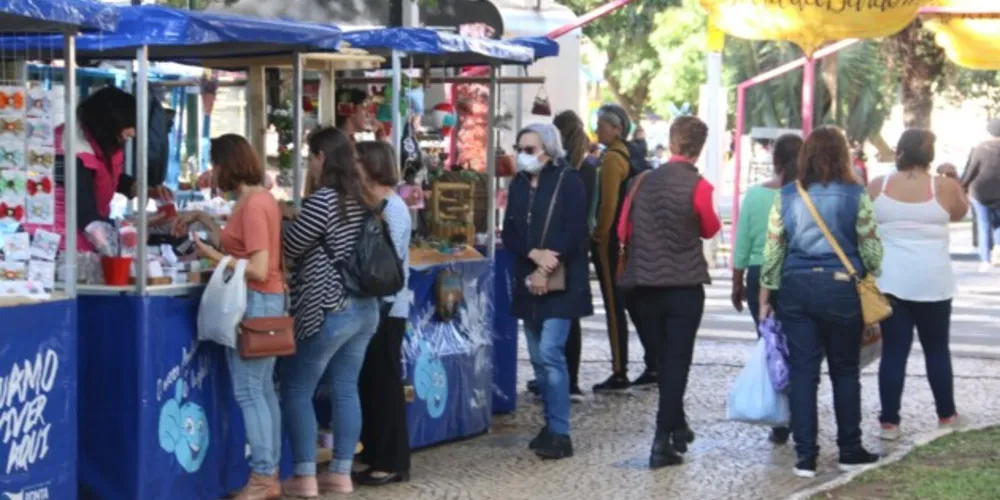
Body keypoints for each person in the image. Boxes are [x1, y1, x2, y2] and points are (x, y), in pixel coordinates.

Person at [758, 126, 882, 478]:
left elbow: (773, 251)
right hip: (843, 290)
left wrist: (767, 296)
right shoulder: (857, 195)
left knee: (803, 372)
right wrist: (870, 271)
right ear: (843, 155)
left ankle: (806, 456)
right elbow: (872, 249)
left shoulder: (787, 195)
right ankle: (849, 448)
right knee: (845, 371)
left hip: (796, 290)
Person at [172, 135, 284, 500]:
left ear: (228, 164)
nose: (213, 171)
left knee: (250, 392)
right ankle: (269, 473)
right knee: (263, 391)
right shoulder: (259, 200)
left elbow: (257, 266)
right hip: (267, 301)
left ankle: (263, 477)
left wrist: (211, 256)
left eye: (216, 163)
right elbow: (241, 247)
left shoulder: (251, 206)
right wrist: (204, 219)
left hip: (255, 302)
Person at [280, 127, 381, 497]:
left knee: (296, 387)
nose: (309, 163)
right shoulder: (363, 198)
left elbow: (291, 245)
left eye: (310, 156)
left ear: (321, 156)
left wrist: (283, 219)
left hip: (329, 307)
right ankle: (340, 473)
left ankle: (305, 475)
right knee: (345, 389)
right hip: (365, 308)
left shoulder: (324, 200)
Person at [616, 116, 721, 468]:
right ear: (699, 148)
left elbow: (622, 231)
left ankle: (678, 426)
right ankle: (662, 442)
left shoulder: (641, 181)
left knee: (662, 360)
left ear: (672, 143)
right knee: (677, 363)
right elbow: (709, 228)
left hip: (643, 286)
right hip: (684, 287)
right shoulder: (700, 187)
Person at [868, 129, 967, 441]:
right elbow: (960, 213)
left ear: (900, 152)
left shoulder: (877, 186)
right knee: (937, 349)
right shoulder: (944, 186)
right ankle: (946, 414)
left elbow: (864, 226)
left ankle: (889, 422)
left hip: (890, 281)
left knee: (894, 352)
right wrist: (955, 181)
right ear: (930, 155)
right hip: (934, 281)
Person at [502, 123, 591, 459]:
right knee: (539, 358)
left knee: (552, 352)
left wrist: (545, 264)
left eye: (530, 148)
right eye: (520, 147)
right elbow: (510, 229)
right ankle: (551, 423)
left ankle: (561, 432)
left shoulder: (569, 181)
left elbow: (574, 230)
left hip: (561, 281)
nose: (523, 155)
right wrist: (532, 255)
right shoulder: (519, 184)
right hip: (528, 280)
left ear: (549, 149)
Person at [24, 86, 172, 282]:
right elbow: (86, 216)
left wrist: (138, 188)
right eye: (129, 125)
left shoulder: (101, 141)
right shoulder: (71, 149)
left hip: (80, 236)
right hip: (57, 245)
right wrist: (127, 239)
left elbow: (108, 176)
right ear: (109, 122)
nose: (133, 132)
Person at [731, 133, 802, 445]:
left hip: (760, 276)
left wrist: (736, 281)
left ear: (775, 161)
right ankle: (801, 413)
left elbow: (742, 241)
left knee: (772, 344)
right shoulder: (807, 194)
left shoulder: (756, 195)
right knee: (801, 347)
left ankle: (780, 420)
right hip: (796, 274)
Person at [355, 141, 413, 486]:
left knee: (385, 384)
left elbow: (385, 260)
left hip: (389, 307)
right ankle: (375, 451)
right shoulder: (377, 204)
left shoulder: (392, 208)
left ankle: (391, 459)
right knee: (371, 382)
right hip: (378, 305)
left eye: (358, 163)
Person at [591, 104, 656, 392]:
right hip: (633, 240)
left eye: (602, 124)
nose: (597, 129)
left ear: (617, 129)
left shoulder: (612, 159)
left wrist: (599, 236)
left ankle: (619, 369)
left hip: (612, 243)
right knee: (636, 303)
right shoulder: (634, 154)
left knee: (614, 306)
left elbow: (607, 206)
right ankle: (654, 362)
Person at [960, 119, 1000, 271]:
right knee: (999, 225)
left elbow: (971, 170)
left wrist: (962, 186)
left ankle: (985, 260)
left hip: (979, 193)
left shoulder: (980, 148)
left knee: (984, 225)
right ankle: (998, 248)